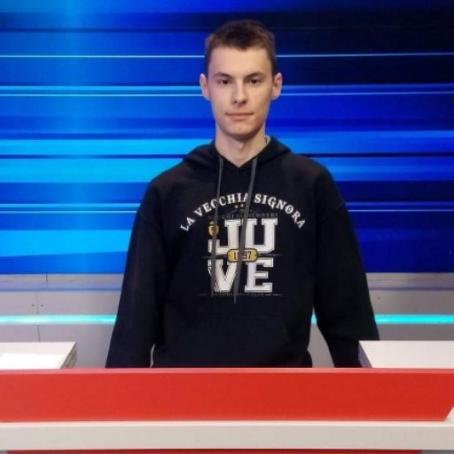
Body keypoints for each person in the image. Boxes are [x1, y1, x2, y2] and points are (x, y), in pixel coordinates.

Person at [106, 19, 379, 368]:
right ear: (205, 87)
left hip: (283, 391)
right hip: (185, 392)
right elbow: (135, 321)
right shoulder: (168, 191)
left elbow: (349, 314)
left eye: (253, 80)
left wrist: (370, 393)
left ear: (276, 85)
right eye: (225, 81)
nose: (239, 97)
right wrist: (118, 399)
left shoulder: (311, 185)